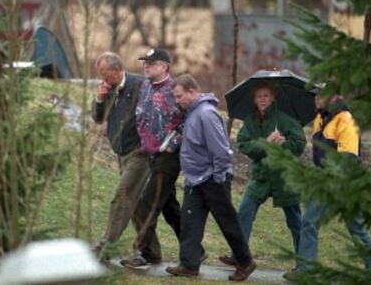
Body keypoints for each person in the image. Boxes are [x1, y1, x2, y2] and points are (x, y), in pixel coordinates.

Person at [120, 48, 207, 267]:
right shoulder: (144, 87)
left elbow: (191, 119)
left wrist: (174, 144)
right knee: (169, 206)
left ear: (164, 67)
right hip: (150, 155)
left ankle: (141, 252)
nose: (146, 66)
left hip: (168, 157)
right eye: (145, 63)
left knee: (146, 204)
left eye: (152, 63)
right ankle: (197, 250)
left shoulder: (175, 89)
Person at [166, 74, 256, 281]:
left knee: (227, 222)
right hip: (195, 179)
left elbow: (222, 151)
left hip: (212, 179)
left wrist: (218, 177)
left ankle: (245, 261)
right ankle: (189, 264)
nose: (177, 101)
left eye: (179, 96)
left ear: (192, 91)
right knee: (190, 221)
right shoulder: (192, 112)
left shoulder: (206, 114)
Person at [220, 82, 306, 267]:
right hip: (261, 176)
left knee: (295, 222)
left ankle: (303, 264)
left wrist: (284, 143)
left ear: (273, 97)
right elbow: (243, 144)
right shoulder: (250, 120)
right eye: (259, 96)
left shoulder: (285, 119)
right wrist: (265, 143)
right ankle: (240, 256)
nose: (262, 100)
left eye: (266, 96)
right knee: (244, 212)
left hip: (285, 178)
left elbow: (299, 144)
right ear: (254, 99)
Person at [293, 93, 371, 271]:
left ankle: (306, 271)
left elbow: (348, 158)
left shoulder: (346, 119)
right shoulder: (320, 118)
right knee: (356, 227)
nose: (317, 98)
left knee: (309, 220)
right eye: (316, 95)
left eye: (322, 95)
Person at [90, 52, 151, 257]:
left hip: (139, 154)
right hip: (121, 154)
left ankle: (105, 247)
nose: (103, 79)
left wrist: (148, 143)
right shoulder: (109, 89)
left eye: (105, 74)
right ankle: (151, 250)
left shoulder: (140, 85)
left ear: (116, 70)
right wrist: (99, 98)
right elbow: (98, 119)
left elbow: (155, 114)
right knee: (136, 205)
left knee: (122, 198)